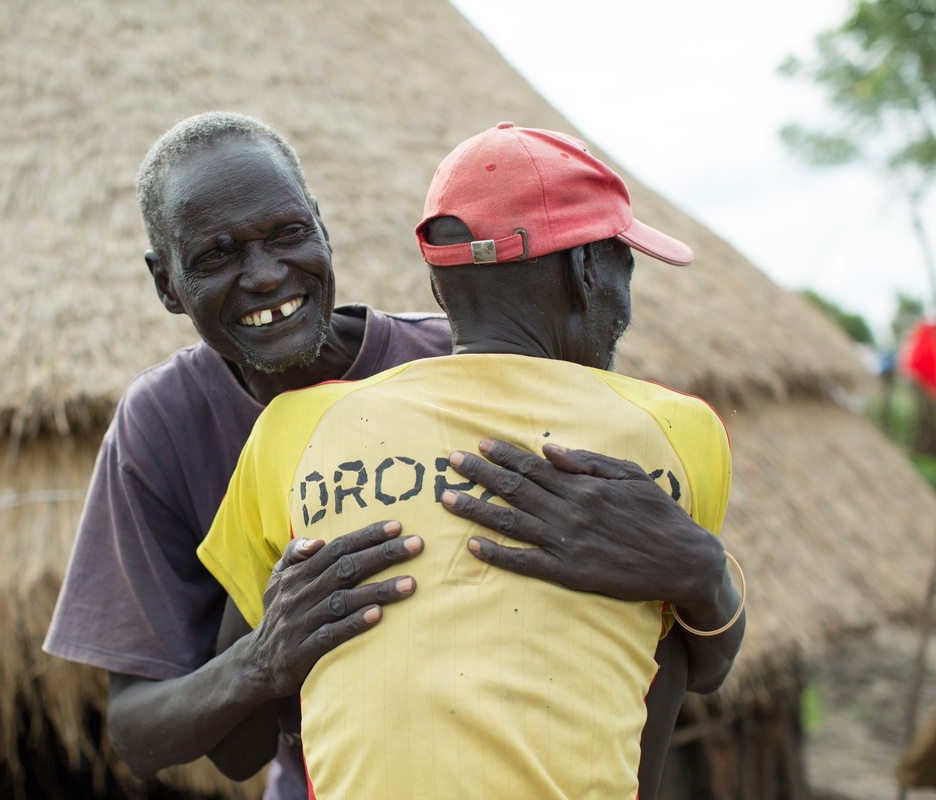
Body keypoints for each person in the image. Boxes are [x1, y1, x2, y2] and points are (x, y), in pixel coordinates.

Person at [43, 113, 745, 800]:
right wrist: (262, 660)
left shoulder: (484, 369)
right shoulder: (164, 424)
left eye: (288, 234)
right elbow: (151, 734)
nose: (264, 276)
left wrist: (698, 572)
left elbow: (666, 629)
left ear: (322, 227)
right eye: (216, 256)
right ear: (166, 283)